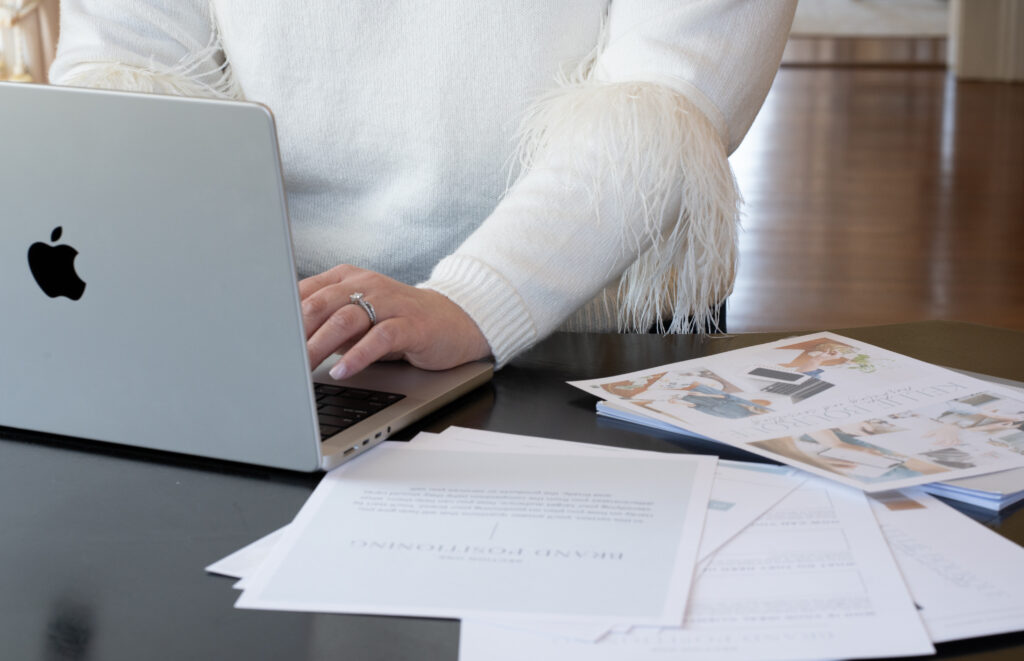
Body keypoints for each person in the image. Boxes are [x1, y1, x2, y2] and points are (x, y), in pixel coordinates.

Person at [50, 1, 797, 379]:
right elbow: (128, 69)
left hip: (582, 337)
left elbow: (668, 96)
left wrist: (473, 300)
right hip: (278, 337)